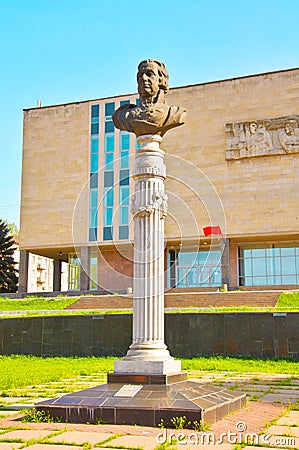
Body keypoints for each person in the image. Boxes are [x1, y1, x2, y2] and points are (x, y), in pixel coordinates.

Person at [112, 59, 186, 137]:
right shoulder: (123, 115)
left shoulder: (174, 113)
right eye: (140, 75)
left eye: (149, 74)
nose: (144, 78)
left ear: (161, 80)